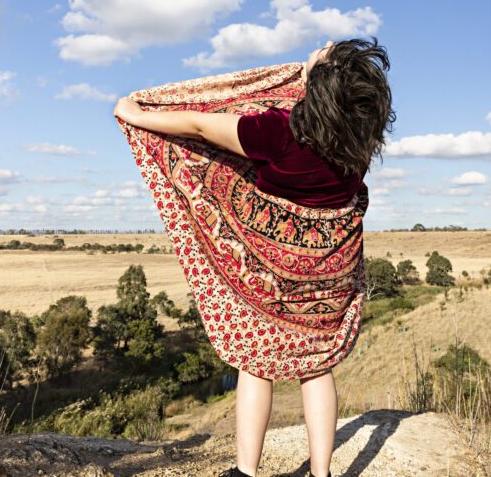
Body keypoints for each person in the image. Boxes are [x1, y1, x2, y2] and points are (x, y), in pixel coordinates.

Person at [114, 37, 394, 477]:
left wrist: (138, 115)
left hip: (272, 275)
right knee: (317, 367)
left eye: (324, 53)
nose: (318, 47)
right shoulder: (356, 144)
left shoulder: (278, 132)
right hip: (329, 274)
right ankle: (321, 474)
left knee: (256, 364)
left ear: (320, 85)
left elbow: (203, 129)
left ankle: (246, 472)